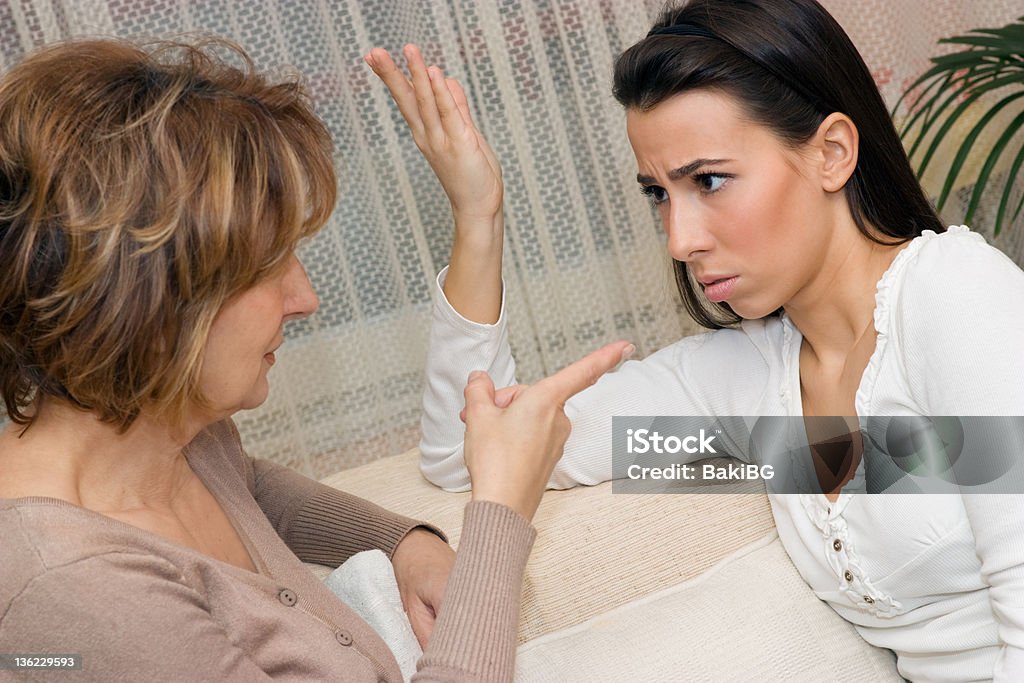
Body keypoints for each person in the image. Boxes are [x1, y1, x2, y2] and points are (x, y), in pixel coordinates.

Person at [365, 0, 1024, 680]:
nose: (680, 240)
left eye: (710, 180)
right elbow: (471, 447)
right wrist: (479, 219)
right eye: (659, 193)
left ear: (832, 153)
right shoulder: (738, 387)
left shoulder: (953, 297)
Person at [0, 37, 632, 681]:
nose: (306, 298)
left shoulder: (175, 431)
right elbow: (456, 455)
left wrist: (402, 542)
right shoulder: (78, 597)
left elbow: (244, 485)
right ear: (146, 296)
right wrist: (501, 512)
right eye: (269, 265)